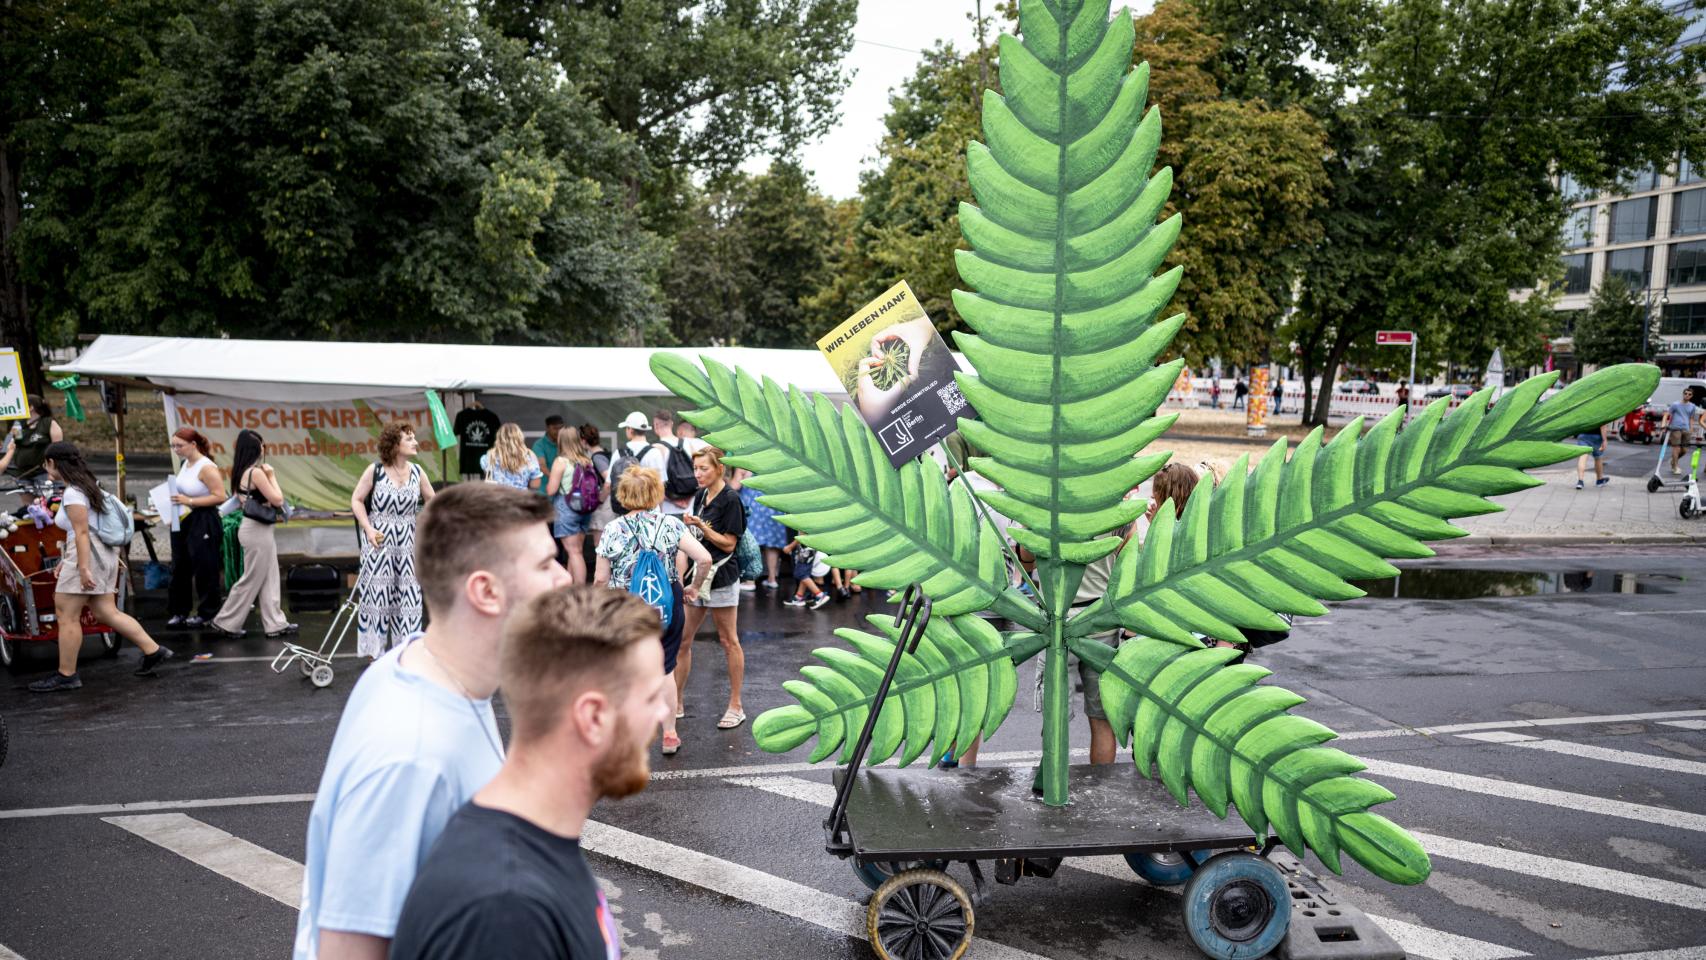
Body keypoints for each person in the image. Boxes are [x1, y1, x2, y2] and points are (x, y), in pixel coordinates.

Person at [294, 483, 569, 960]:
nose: (564, 578)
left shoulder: (417, 666)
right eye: (546, 564)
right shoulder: (413, 756)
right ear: (485, 590)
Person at [389, 588, 671, 960]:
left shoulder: (521, 856)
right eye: (651, 698)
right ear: (593, 717)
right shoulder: (508, 910)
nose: (663, 714)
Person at [26, 442, 174, 692]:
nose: (45, 467)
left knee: (66, 614)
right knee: (106, 611)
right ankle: (153, 650)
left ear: (54, 463)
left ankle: (67, 674)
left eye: (46, 462)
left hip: (87, 555)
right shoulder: (89, 485)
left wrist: (82, 568)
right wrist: (67, 561)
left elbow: (82, 532)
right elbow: (84, 531)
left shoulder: (73, 492)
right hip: (103, 553)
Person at [594, 465, 712, 756]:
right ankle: (669, 733)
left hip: (626, 605)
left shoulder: (613, 529)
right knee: (665, 668)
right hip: (666, 601)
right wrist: (692, 587)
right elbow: (705, 558)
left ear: (624, 495)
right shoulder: (671, 525)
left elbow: (600, 578)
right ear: (656, 492)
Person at [350, 420, 437, 659]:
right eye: (409, 439)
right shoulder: (375, 471)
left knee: (408, 597)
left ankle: (406, 651)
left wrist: (425, 526)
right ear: (394, 444)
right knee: (378, 597)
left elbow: (433, 501)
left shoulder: (418, 472)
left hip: (408, 541)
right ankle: (374, 652)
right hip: (379, 539)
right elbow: (356, 500)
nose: (415, 442)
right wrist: (367, 529)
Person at [675, 447, 748, 730]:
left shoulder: (731, 499)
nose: (698, 474)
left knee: (728, 641)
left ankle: (736, 705)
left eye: (703, 468)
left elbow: (730, 543)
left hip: (722, 576)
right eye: (696, 469)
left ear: (720, 469)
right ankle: (676, 700)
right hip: (699, 575)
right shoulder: (701, 496)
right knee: (682, 640)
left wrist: (701, 527)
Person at [209, 430, 297, 639]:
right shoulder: (256, 473)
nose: (264, 448)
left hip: (258, 529)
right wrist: (272, 475)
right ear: (255, 449)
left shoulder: (241, 471)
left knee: (269, 576)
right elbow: (276, 499)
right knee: (252, 578)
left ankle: (275, 623)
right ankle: (225, 621)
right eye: (261, 445)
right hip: (257, 530)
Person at [166, 426, 227, 628]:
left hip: (203, 519)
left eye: (180, 445)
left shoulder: (206, 467)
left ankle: (208, 612)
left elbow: (220, 496)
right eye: (173, 445)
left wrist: (189, 500)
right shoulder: (186, 464)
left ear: (193, 445)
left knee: (205, 566)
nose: (176, 449)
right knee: (179, 565)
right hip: (184, 517)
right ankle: (179, 611)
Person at [546, 427, 599, 584]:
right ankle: (571, 587)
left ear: (561, 441)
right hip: (584, 508)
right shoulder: (586, 460)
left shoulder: (560, 461)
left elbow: (551, 490)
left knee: (574, 552)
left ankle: (580, 590)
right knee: (576, 551)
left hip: (566, 508)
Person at [736, 469, 787, 593]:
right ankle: (772, 579)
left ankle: (750, 581)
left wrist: (725, 478)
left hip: (753, 505)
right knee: (772, 543)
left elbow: (735, 485)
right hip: (772, 503)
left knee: (751, 542)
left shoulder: (744, 460)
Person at [2, 395, 64, 480]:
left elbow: (58, 451)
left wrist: (53, 472)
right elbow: (10, 444)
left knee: (43, 493)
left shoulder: (49, 423)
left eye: (22, 405)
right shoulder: (19, 423)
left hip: (43, 473)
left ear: (31, 407)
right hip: (22, 473)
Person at [579, 424, 614, 551]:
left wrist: (599, 500)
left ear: (583, 440)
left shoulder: (597, 458)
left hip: (605, 506)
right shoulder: (606, 453)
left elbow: (608, 481)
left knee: (600, 546)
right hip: (611, 504)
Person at [652, 409, 695, 515]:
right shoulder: (689, 444)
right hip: (690, 511)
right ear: (671, 424)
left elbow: (656, 484)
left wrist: (675, 500)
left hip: (668, 510)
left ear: (656, 425)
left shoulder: (656, 448)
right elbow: (698, 475)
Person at [481, 423, 543, 492]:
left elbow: (489, 478)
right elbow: (535, 485)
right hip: (521, 499)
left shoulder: (490, 456)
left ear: (499, 438)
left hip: (497, 499)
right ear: (520, 437)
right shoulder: (529, 455)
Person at [452, 398, 499, 481]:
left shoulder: (463, 415)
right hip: (481, 457)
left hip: (469, 459)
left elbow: (455, 432)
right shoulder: (462, 416)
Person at [782, 538, 832, 609]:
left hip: (806, 548)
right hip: (809, 546)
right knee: (804, 574)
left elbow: (802, 535)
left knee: (800, 574)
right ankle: (799, 597)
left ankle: (820, 595)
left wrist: (790, 546)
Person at [1665, 385, 1703, 476]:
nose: (1687, 395)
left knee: (1684, 450)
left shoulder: (1692, 406)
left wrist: (1691, 428)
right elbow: (1667, 414)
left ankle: (1674, 460)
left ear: (1691, 396)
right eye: (1685, 393)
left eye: (1689, 394)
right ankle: (1675, 467)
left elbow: (1691, 418)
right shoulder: (1675, 404)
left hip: (1686, 429)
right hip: (1675, 428)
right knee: (1676, 447)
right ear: (1683, 394)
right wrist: (1665, 424)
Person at [1574, 419, 1614, 490]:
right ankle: (1599, 480)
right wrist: (1605, 440)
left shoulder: (1583, 408)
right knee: (1598, 458)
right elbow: (1603, 425)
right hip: (1596, 437)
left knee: (1582, 457)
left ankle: (1580, 481)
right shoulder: (1601, 409)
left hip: (1583, 435)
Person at [531, 415, 565, 483]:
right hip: (544, 490)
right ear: (547, 428)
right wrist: (555, 479)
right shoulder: (539, 445)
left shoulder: (566, 443)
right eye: (555, 428)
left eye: (560, 428)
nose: (558, 431)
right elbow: (541, 465)